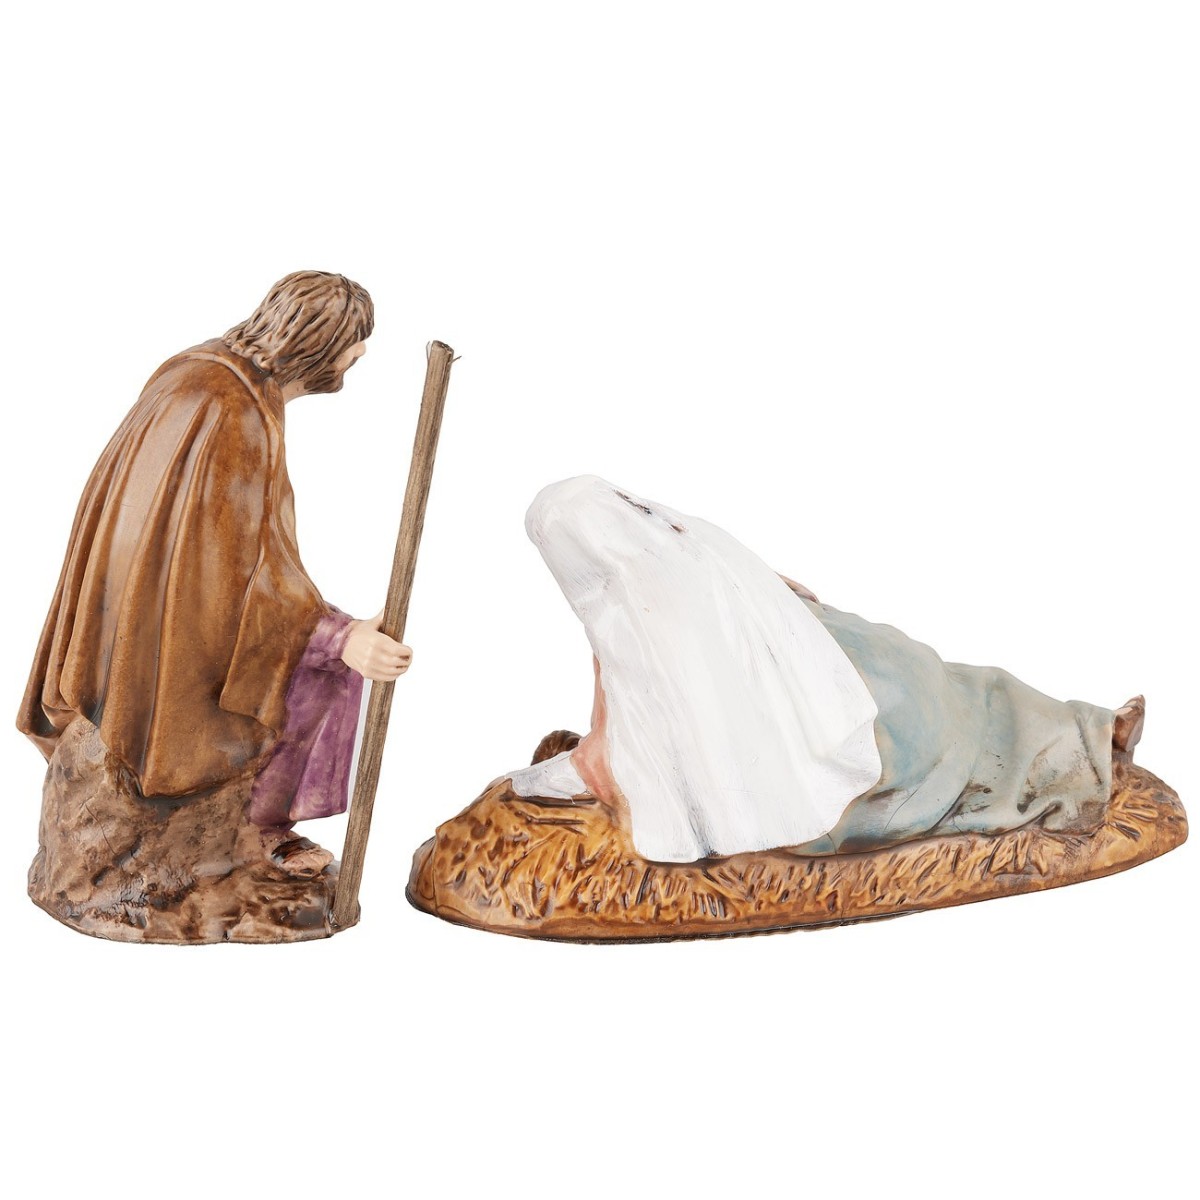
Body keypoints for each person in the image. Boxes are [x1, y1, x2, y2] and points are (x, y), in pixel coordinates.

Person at [18, 271, 408, 877]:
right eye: (353, 345)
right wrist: (339, 638)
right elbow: (239, 576)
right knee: (320, 673)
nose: (358, 357)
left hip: (142, 615)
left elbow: (222, 555)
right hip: (172, 636)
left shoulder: (201, 368)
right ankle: (258, 829)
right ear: (320, 345)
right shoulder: (233, 412)